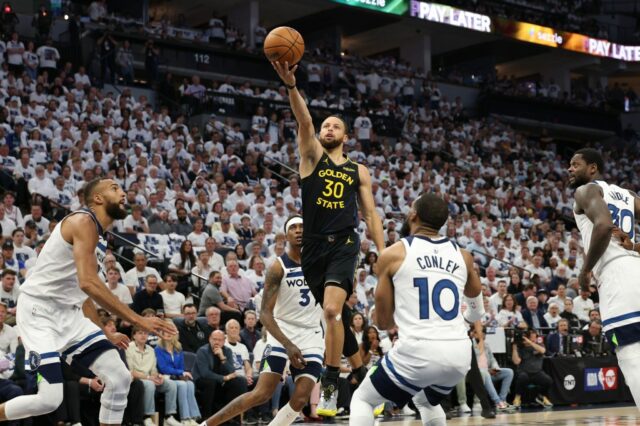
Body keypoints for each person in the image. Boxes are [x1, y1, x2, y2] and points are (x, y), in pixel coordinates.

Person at [0, 178, 174, 423]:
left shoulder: (100, 238)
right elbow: (88, 283)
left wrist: (105, 333)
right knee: (48, 400)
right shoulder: (82, 221)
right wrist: (138, 320)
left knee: (120, 378)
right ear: (98, 198)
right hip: (38, 312)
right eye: (115, 188)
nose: (123, 193)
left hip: (69, 313)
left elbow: (82, 296)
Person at [272, 59, 384, 417]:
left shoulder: (358, 170)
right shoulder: (311, 157)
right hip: (315, 248)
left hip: (345, 243)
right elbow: (304, 121)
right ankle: (366, 379)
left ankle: (332, 384)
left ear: (346, 137)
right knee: (337, 318)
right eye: (325, 126)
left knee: (333, 312)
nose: (328, 128)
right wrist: (291, 86)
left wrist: (383, 252)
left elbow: (370, 214)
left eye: (336, 126)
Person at [348, 193, 483, 425]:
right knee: (425, 399)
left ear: (413, 214)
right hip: (459, 355)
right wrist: (462, 319)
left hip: (418, 352)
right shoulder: (464, 256)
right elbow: (476, 312)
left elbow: (383, 323)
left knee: (363, 399)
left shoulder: (393, 254)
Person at [201, 215, 325, 426]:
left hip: (311, 333)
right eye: (293, 227)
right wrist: (288, 344)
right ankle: (206, 425)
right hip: (282, 331)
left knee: (301, 397)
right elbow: (265, 314)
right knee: (262, 393)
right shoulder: (278, 267)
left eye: (302, 227)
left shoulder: (320, 263)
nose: (298, 230)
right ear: (286, 235)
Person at [569, 148, 640, 407]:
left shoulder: (586, 190)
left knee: (632, 358)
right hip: (635, 266)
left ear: (593, 168)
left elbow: (603, 225)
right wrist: (635, 246)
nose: (569, 169)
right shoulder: (629, 195)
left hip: (617, 278)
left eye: (575, 164)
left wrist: (585, 271)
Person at [193, 330, 247, 423]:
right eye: (214, 339)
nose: (217, 342)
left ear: (224, 341)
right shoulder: (203, 351)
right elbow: (204, 373)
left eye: (219, 340)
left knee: (240, 381)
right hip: (203, 381)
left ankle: (233, 416)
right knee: (210, 382)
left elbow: (232, 371)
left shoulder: (227, 351)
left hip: (220, 382)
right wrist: (224, 378)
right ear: (210, 339)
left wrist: (222, 357)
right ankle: (207, 417)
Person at [155, 323, 201, 425]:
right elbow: (163, 368)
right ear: (161, 333)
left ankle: (193, 417)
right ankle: (185, 418)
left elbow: (181, 366)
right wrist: (180, 372)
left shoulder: (178, 348)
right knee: (183, 385)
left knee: (190, 384)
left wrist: (182, 375)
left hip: (175, 377)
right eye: (165, 331)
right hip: (164, 378)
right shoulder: (158, 349)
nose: (168, 333)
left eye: (170, 331)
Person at [510, 328, 553, 408]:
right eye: (531, 337)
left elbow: (543, 351)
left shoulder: (539, 345)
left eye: (535, 337)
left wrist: (530, 342)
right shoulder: (520, 347)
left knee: (548, 380)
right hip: (524, 372)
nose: (533, 339)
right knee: (523, 377)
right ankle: (517, 397)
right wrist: (514, 348)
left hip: (537, 372)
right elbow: (516, 362)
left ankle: (541, 396)